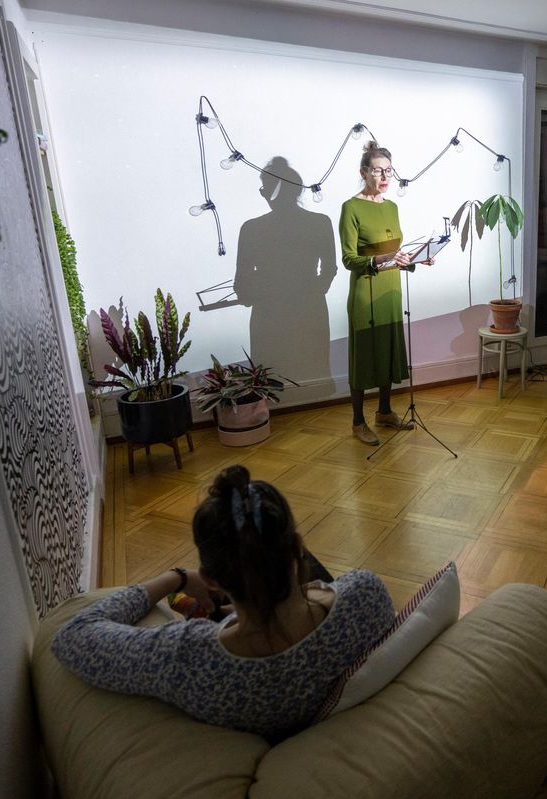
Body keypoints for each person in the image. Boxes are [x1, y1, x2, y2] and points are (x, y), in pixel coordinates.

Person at [52, 465, 394, 739]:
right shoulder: (366, 596)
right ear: (298, 546)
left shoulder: (191, 660)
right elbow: (323, 590)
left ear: (211, 579)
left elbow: (73, 636)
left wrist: (178, 578)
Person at [339, 141, 432, 445]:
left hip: (391, 289)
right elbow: (349, 259)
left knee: (387, 349)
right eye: (378, 171)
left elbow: (394, 253)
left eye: (388, 171)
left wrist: (415, 258)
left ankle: (384, 412)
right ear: (363, 172)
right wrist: (378, 260)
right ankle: (357, 421)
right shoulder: (351, 208)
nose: (384, 177)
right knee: (365, 354)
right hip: (366, 292)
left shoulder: (392, 207)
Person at [235, 157, 337, 393]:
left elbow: (242, 282)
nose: (264, 195)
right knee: (307, 380)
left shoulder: (251, 228)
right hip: (302, 311)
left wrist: (250, 294)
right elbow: (329, 270)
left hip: (274, 313)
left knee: (277, 383)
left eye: (266, 190)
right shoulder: (319, 222)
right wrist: (312, 291)